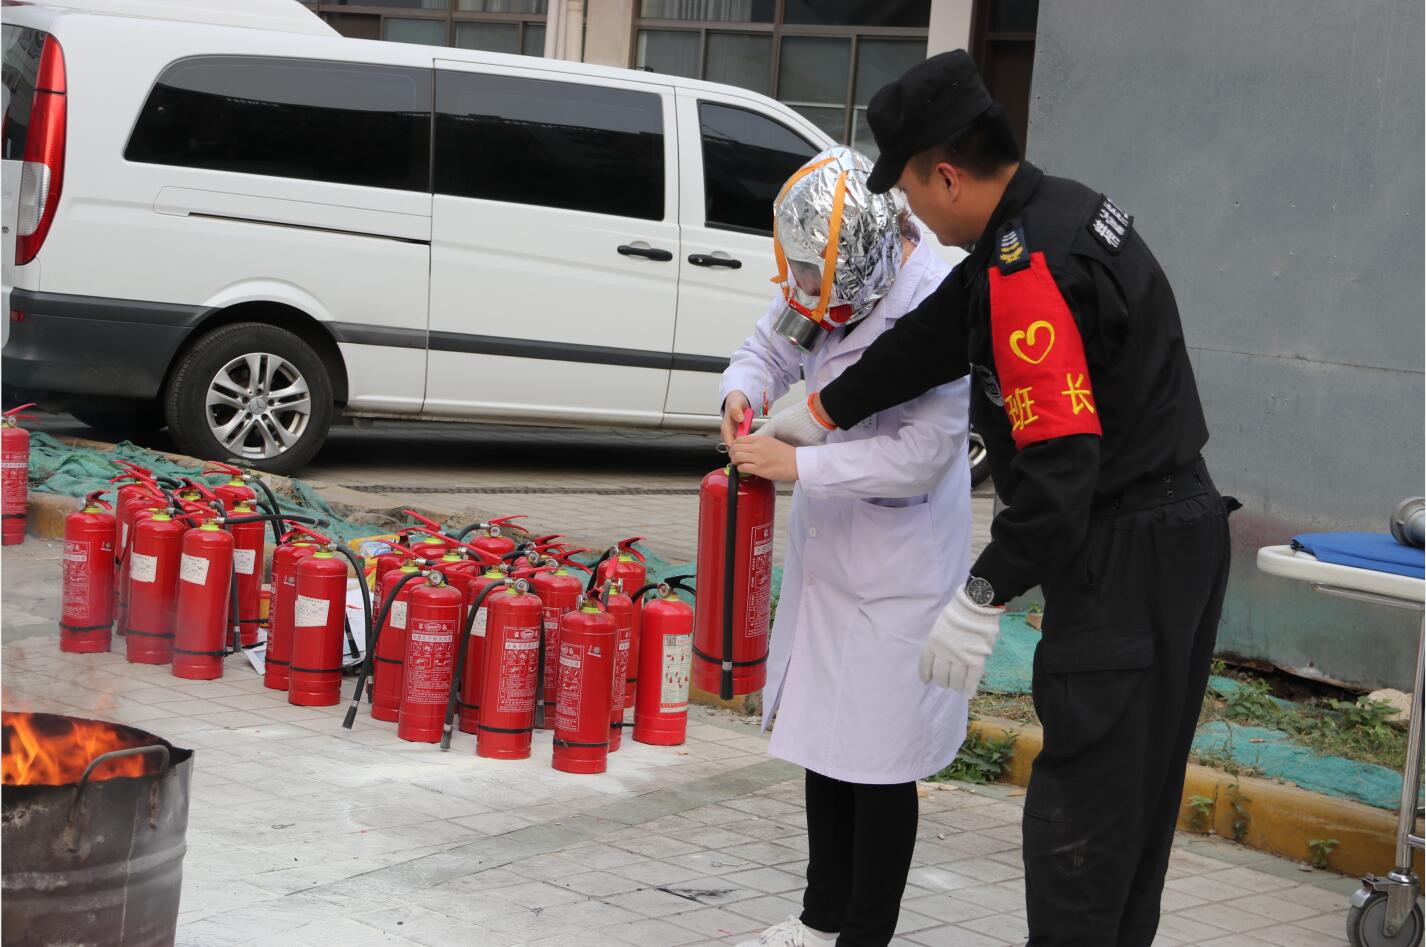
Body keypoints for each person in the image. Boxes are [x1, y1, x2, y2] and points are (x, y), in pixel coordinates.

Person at [742, 52, 1235, 947]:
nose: (912, 213)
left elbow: (1059, 471)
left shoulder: (1027, 275)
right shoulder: (1050, 216)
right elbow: (936, 338)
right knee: (1128, 815)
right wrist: (821, 409)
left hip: (1129, 553)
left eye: (909, 189)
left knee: (1081, 825)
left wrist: (983, 592)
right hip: (1169, 535)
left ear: (947, 175)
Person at [720, 146, 973, 947]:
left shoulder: (938, 303)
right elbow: (770, 347)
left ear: (867, 268)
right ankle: (818, 919)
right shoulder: (824, 277)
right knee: (824, 743)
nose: (804, 295)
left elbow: (923, 455)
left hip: (899, 568)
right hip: (832, 557)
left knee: (880, 762)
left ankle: (865, 933)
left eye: (817, 284)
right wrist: (742, 392)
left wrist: (799, 464)